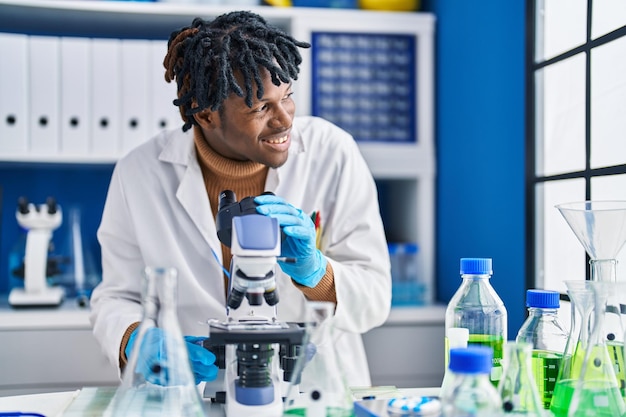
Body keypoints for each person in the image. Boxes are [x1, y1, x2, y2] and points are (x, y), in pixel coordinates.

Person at [89, 10, 391, 389]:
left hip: (313, 392)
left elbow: (376, 298)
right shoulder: (140, 172)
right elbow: (116, 296)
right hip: (193, 394)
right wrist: (134, 338)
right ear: (205, 114)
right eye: (261, 107)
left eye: (287, 97)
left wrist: (318, 274)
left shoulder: (333, 153)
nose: (284, 120)